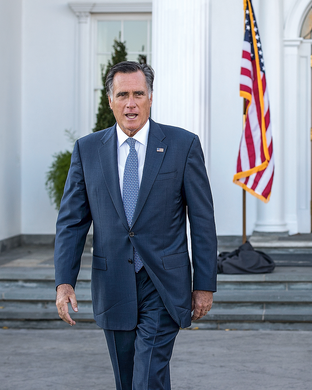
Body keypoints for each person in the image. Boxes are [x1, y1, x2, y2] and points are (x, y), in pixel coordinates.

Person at [54, 61, 218, 389]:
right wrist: (64, 282)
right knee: (127, 378)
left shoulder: (182, 145)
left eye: (139, 94)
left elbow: (201, 220)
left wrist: (204, 283)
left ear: (151, 98)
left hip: (163, 281)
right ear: (110, 100)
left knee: (148, 375)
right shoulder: (87, 150)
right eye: (123, 94)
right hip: (113, 281)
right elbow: (72, 222)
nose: (131, 103)